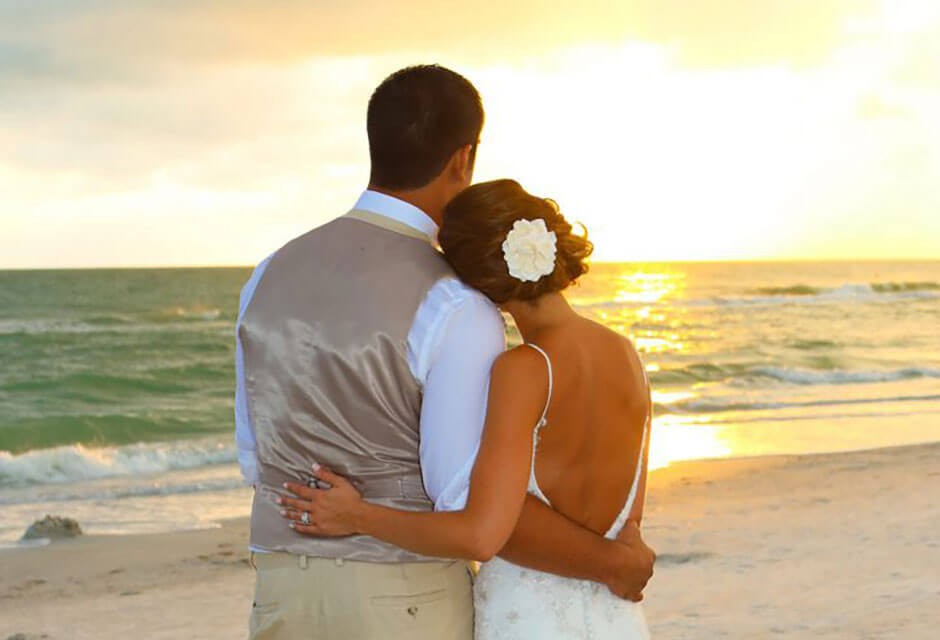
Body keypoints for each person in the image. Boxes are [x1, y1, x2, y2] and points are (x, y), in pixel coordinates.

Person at [235, 65, 654, 640]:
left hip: (283, 588)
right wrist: (615, 563)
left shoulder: (267, 273)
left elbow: (254, 457)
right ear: (463, 157)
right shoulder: (458, 304)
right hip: (406, 600)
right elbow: (473, 513)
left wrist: (343, 510)